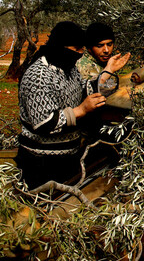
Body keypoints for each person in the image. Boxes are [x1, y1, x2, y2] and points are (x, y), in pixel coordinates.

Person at [15, 21, 111, 189]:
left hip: (68, 159)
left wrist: (105, 76)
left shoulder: (67, 67)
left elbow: (81, 88)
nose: (81, 54)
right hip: (41, 164)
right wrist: (82, 110)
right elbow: (43, 123)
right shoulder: (38, 76)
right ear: (61, 47)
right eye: (77, 50)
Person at [77, 22, 131, 87]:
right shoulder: (84, 68)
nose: (106, 50)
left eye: (109, 45)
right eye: (100, 46)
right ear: (89, 47)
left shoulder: (101, 61)